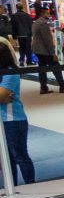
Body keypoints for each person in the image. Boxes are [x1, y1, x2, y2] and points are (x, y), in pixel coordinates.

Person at [0, 38, 34, 184]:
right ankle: (11, 186)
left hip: (13, 120)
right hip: (3, 121)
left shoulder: (10, 73)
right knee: (7, 160)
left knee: (20, 156)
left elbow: (2, 94)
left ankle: (30, 185)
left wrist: (2, 96)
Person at [31, 8, 64, 94]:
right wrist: (53, 53)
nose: (49, 15)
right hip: (45, 51)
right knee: (56, 67)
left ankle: (43, 88)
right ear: (42, 14)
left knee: (42, 69)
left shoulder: (36, 23)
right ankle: (63, 87)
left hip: (38, 50)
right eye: (47, 13)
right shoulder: (43, 24)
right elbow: (47, 40)